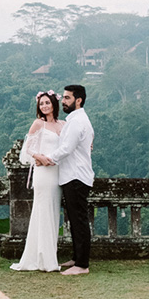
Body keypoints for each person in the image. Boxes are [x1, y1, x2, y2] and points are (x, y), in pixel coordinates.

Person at [33, 85, 94, 276]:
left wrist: (47, 159)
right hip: (71, 175)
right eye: (64, 97)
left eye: (67, 98)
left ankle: (82, 265)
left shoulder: (77, 122)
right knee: (75, 220)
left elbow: (66, 148)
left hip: (76, 176)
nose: (63, 101)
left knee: (79, 220)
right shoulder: (74, 120)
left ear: (78, 100)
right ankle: (77, 258)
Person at [11, 90, 65, 272]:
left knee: (53, 213)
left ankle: (49, 255)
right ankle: (42, 259)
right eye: (41, 104)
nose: (44, 106)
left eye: (47, 103)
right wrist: (40, 157)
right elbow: (27, 150)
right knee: (42, 211)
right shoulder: (38, 124)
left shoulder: (62, 124)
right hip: (43, 173)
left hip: (57, 173)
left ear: (54, 104)